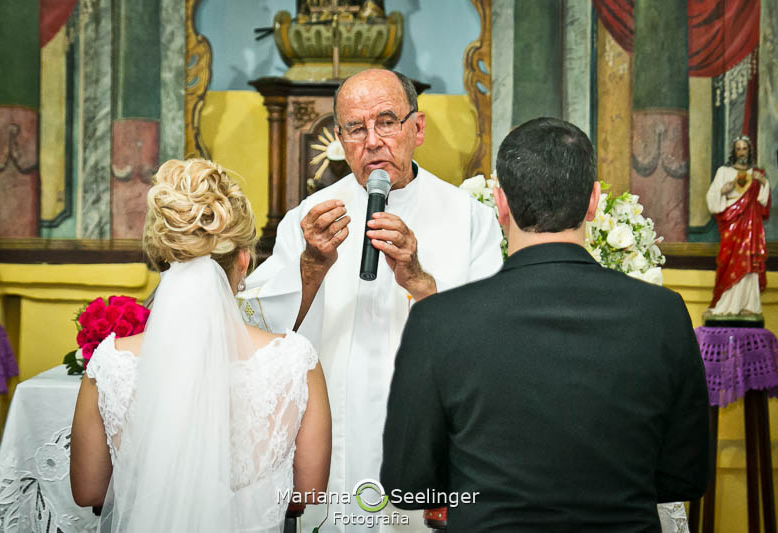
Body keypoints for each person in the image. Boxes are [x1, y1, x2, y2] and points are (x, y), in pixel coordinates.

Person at [381, 117, 710, 531]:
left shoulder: (438, 320)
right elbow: (686, 475)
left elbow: (408, 483)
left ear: (499, 204)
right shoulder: (663, 313)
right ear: (593, 201)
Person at [241, 69, 503, 531]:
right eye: (356, 129)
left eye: (386, 122)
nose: (373, 141)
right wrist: (311, 268)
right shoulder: (308, 217)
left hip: (430, 431)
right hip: (338, 433)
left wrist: (419, 281)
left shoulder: (470, 219)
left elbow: (493, 339)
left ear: (417, 128)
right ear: (339, 139)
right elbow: (264, 336)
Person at [70, 159, 332, 532]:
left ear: (164, 258)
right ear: (244, 259)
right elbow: (307, 494)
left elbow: (89, 492)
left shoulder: (110, 363)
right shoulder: (296, 361)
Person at [706, 135, 771, 316]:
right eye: (739, 149)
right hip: (731, 222)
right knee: (729, 262)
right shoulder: (724, 172)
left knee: (749, 262)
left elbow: (763, 202)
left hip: (751, 224)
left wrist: (763, 182)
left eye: (745, 148)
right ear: (734, 152)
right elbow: (712, 199)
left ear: (749, 151)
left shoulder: (756, 174)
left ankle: (749, 305)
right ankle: (726, 305)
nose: (742, 152)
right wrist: (722, 191)